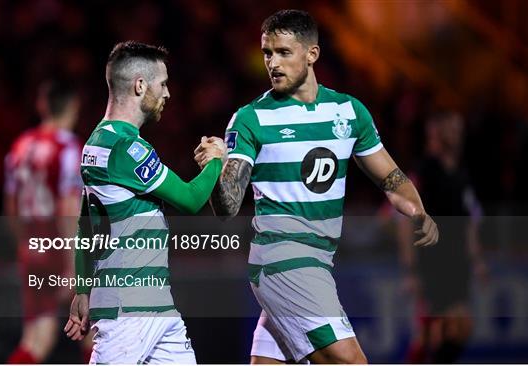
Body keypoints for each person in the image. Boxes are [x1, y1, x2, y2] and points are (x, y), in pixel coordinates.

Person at [195, 9, 438, 364]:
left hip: (317, 260)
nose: (272, 63)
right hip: (285, 260)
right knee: (351, 361)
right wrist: (217, 165)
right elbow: (227, 207)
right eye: (267, 53)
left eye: (283, 52)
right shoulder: (251, 118)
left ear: (312, 54)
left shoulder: (348, 112)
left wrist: (418, 210)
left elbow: (390, 176)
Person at [63, 41, 226, 364]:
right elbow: (192, 200)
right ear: (140, 85)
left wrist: (82, 289)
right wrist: (216, 161)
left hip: (158, 310)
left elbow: (85, 224)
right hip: (130, 314)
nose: (167, 94)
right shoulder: (126, 149)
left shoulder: (97, 142)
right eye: (162, 84)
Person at [396, 111, 486, 363]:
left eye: (460, 128)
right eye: (452, 128)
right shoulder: (425, 170)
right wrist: (411, 269)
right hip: (433, 262)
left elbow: (468, 223)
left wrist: (476, 260)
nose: (458, 133)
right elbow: (403, 219)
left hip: (457, 263)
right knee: (445, 330)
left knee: (448, 332)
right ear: (438, 131)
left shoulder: (461, 173)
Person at [4, 79, 83, 363]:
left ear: (42, 105)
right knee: (94, 329)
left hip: (32, 249)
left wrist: (25, 246)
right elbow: (68, 207)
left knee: (37, 338)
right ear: (74, 106)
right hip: (61, 249)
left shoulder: (20, 147)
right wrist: (75, 264)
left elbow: (10, 207)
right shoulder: (69, 148)